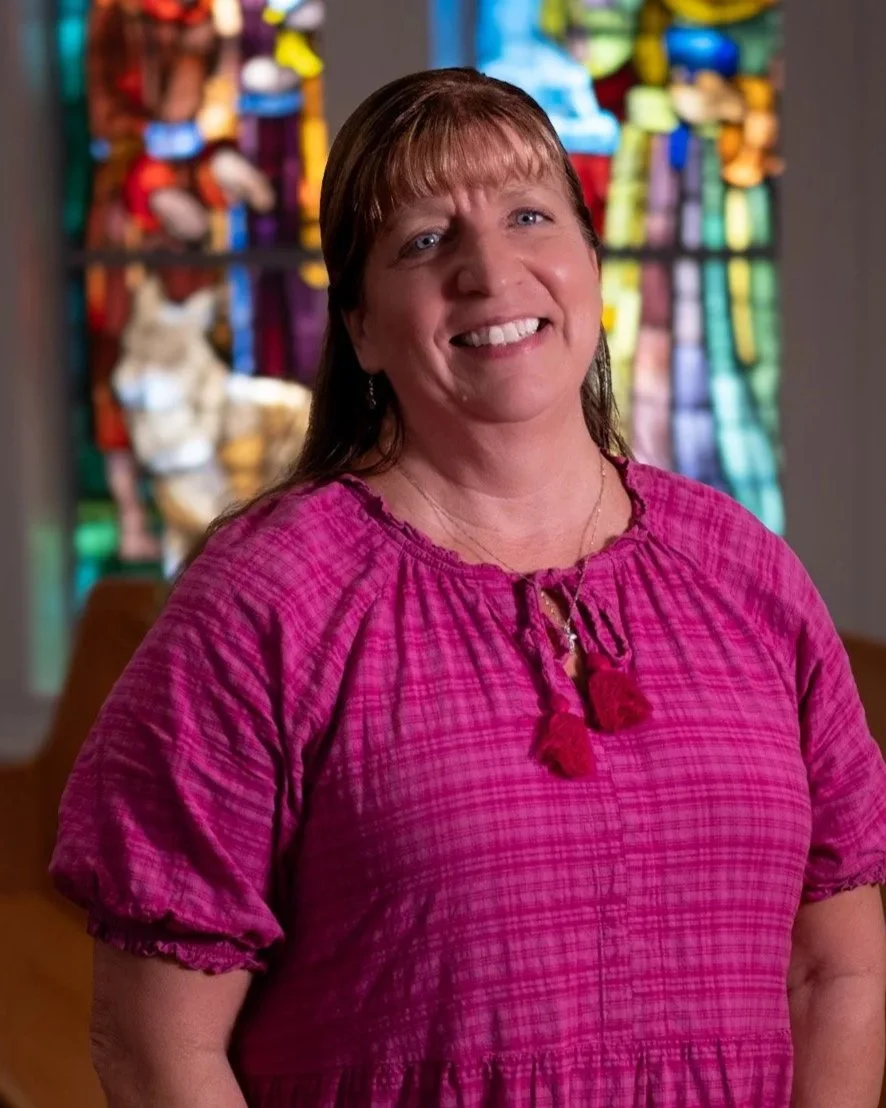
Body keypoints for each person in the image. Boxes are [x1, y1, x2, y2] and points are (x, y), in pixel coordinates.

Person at [51, 67, 886, 1107]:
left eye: (529, 215)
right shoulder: (265, 601)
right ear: (357, 325)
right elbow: (154, 1047)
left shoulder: (741, 567)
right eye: (422, 241)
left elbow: (833, 967)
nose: (490, 272)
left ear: (588, 258)